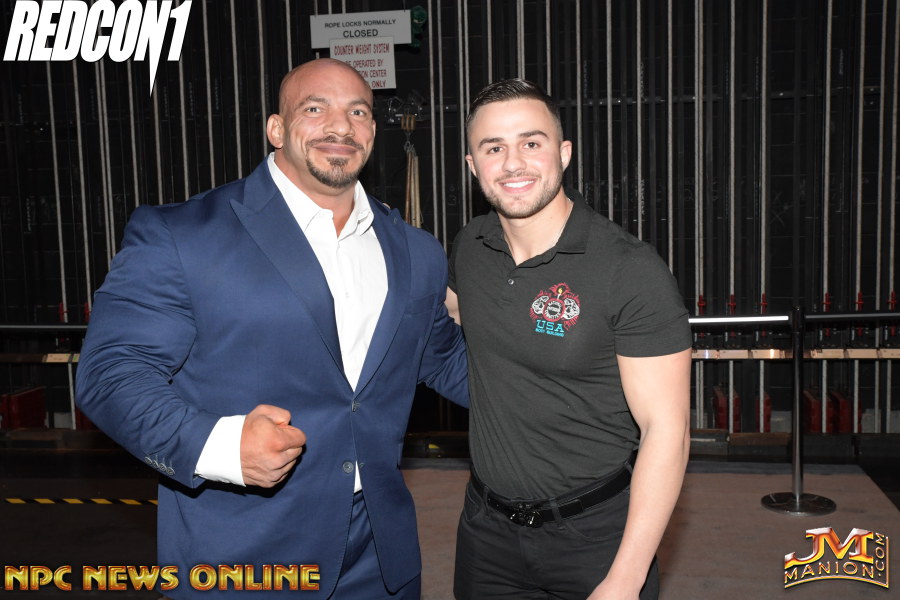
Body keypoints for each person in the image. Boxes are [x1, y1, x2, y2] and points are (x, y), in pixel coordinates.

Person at [76, 58, 467, 599]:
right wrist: (218, 446)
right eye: (315, 109)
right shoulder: (181, 235)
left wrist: (568, 384)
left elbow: (445, 360)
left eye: (358, 112)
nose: (340, 125)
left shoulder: (416, 251)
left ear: (373, 132)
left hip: (380, 559)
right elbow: (111, 375)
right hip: (244, 559)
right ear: (277, 129)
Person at [446, 78, 692, 600]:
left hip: (595, 536)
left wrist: (626, 578)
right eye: (493, 148)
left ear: (563, 153)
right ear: (472, 165)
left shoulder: (629, 269)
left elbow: (667, 431)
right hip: (485, 533)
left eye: (531, 143)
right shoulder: (470, 248)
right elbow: (450, 315)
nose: (513, 163)